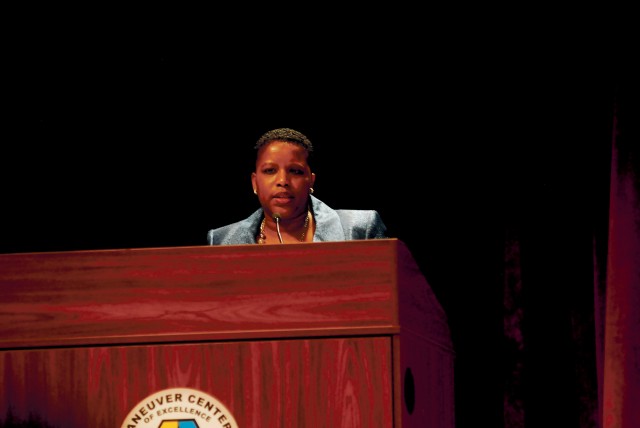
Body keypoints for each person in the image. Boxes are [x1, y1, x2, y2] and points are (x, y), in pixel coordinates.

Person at [207, 127, 388, 245]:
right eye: (270, 170)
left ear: (311, 181)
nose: (283, 180)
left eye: (295, 171)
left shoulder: (360, 230)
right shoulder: (221, 240)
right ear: (255, 182)